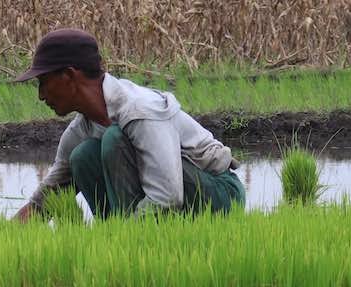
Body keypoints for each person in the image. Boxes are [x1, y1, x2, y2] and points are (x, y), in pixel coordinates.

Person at [13, 28, 245, 222]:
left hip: (219, 193)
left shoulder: (139, 110)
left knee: (114, 139)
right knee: (82, 156)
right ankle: (117, 232)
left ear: (69, 76)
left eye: (43, 82)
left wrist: (123, 236)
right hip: (172, 198)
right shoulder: (80, 130)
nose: (41, 95)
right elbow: (47, 197)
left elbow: (167, 196)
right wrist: (6, 232)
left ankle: (126, 237)